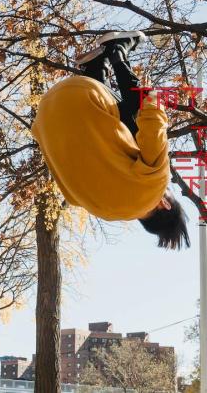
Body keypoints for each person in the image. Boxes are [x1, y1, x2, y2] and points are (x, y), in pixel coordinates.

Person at [31, 31, 190, 250]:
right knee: (121, 143)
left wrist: (153, 100)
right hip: (45, 111)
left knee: (142, 121)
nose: (168, 186)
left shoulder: (154, 188)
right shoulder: (100, 210)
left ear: (164, 204)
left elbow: (153, 128)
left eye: (169, 192)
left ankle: (118, 51)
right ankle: (96, 67)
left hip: (85, 94)